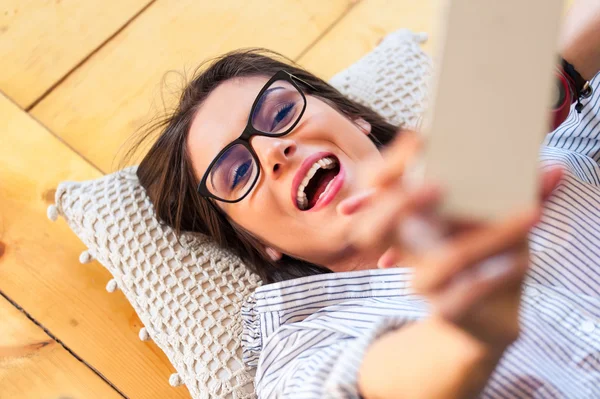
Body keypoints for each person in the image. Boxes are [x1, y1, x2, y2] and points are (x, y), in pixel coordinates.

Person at [128, 0, 600, 397]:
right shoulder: (301, 343)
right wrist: (466, 329)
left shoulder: (542, 154)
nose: (272, 149)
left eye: (281, 111)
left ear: (354, 119)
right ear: (255, 241)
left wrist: (540, 87)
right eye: (236, 172)